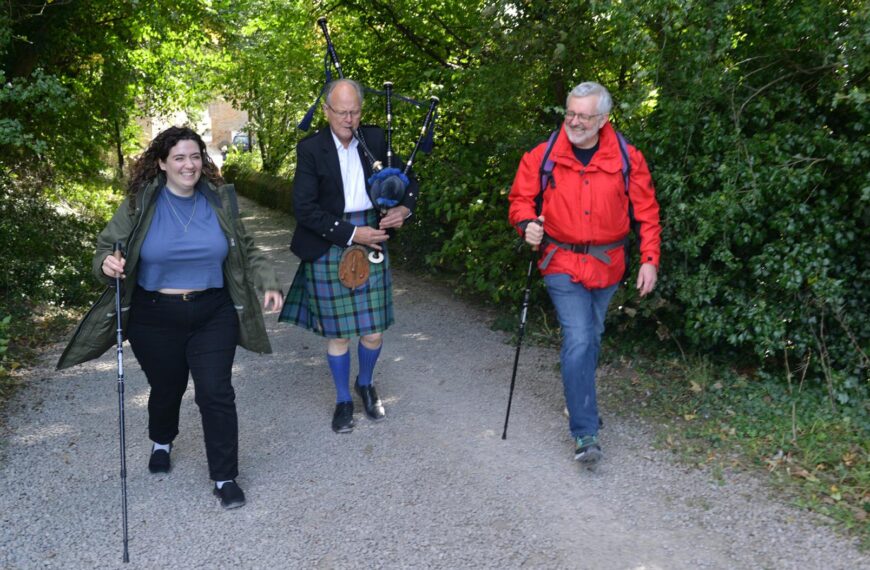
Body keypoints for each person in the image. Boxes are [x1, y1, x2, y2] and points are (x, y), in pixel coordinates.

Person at [57, 126, 283, 509]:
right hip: (154, 316)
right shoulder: (139, 204)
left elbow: (246, 248)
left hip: (213, 312)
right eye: (179, 157)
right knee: (167, 388)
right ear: (162, 163)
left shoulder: (219, 201)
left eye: (195, 156)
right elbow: (105, 249)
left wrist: (268, 282)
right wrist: (107, 264)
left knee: (216, 392)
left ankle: (224, 477)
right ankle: (162, 440)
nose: (188, 165)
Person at [508, 82, 661, 465]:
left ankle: (580, 400)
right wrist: (526, 224)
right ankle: (585, 431)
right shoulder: (544, 155)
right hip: (560, 261)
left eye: (584, 116)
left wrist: (649, 258)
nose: (574, 122)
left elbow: (647, 211)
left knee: (592, 336)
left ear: (603, 119)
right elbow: (520, 200)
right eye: (570, 113)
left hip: (608, 264)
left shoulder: (627, 157)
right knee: (578, 337)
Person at [279, 78, 418, 433]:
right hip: (330, 239)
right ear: (326, 111)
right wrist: (354, 234)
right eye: (341, 112)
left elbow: (409, 181)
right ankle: (343, 400)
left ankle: (365, 384)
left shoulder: (374, 139)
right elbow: (304, 208)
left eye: (354, 111)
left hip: (373, 236)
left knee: (373, 331)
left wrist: (404, 209)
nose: (348, 119)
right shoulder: (311, 149)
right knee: (339, 334)